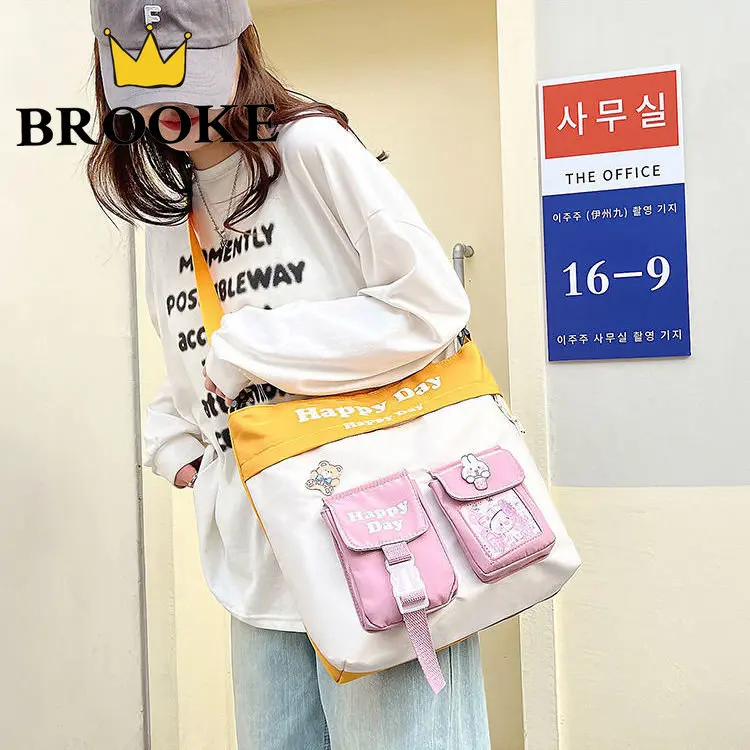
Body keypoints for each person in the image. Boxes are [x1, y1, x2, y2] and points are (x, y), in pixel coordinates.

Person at [87, 2, 492, 748]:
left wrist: (253, 346)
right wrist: (174, 442)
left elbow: (430, 305)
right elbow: (198, 359)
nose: (169, 110)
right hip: (258, 551)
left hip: (379, 538)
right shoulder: (170, 217)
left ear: (239, 52)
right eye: (143, 93)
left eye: (189, 76)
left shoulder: (311, 151)